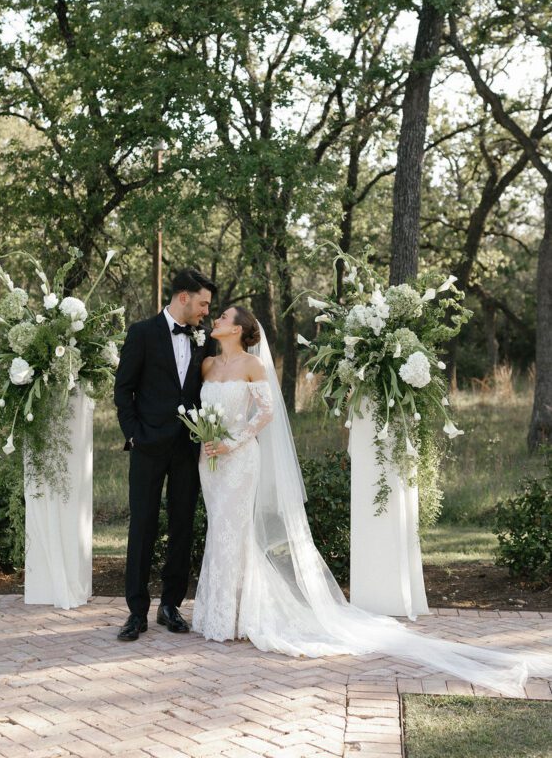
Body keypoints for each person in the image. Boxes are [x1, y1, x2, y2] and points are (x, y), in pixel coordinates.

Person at [192, 305, 552, 697]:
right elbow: (202, 410)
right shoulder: (208, 365)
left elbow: (266, 413)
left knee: (237, 532)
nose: (217, 319)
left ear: (241, 329)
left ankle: (239, 616)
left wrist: (231, 441)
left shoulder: (252, 366)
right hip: (209, 462)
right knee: (219, 529)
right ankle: (218, 614)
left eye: (224, 316)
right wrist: (207, 438)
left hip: (240, 460)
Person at [114, 267, 216, 642]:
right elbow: (123, 390)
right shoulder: (141, 333)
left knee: (182, 526)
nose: (206, 310)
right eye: (203, 303)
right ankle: (136, 612)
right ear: (184, 297)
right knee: (142, 526)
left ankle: (170, 605)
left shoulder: (205, 340)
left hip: (188, 448)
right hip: (148, 446)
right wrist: (134, 435)